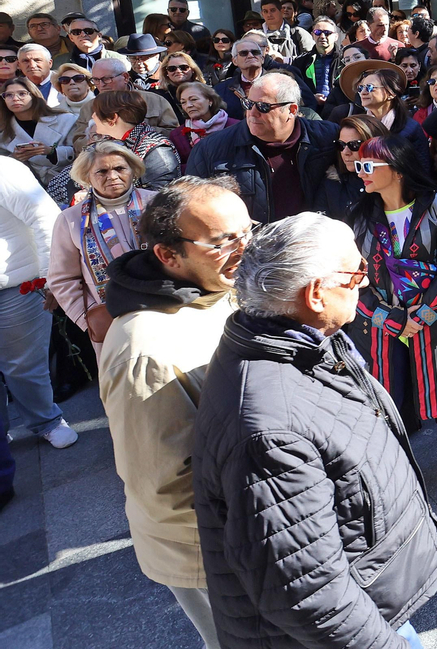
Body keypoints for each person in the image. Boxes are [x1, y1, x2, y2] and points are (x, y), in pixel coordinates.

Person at [191, 213, 437, 648]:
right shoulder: (268, 432)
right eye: (356, 274)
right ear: (314, 294)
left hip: (368, 594)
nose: (365, 283)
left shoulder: (297, 339)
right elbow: (309, 595)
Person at [97, 177, 250, 649]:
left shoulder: (217, 285)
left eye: (248, 231)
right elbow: (165, 486)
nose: (245, 248)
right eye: (224, 241)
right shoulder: (146, 350)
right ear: (168, 256)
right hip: (219, 556)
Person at [346, 136, 437, 491]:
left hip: (435, 315)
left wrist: (422, 312)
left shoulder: (436, 204)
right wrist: (389, 318)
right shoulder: (361, 216)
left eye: (367, 166)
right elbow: (353, 275)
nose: (360, 173)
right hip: (382, 322)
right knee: (387, 392)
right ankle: (396, 463)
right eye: (358, 166)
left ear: (397, 169)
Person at [46, 141, 157, 354]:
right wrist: (87, 317)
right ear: (87, 177)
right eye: (102, 171)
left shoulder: (158, 203)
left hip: (164, 310)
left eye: (120, 168)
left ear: (133, 170)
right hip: (112, 324)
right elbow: (62, 279)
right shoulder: (70, 220)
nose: (112, 176)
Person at [1, 155, 80, 450]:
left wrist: (51, 277)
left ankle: (46, 421)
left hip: (16, 285)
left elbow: (45, 218)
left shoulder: (4, 170)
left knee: (24, 365)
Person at [186, 72, 340, 223]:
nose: (252, 113)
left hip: (310, 241)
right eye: (248, 104)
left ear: (292, 110)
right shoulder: (210, 149)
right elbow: (194, 208)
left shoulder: (329, 138)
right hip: (247, 244)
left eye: (263, 107)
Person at [310, 114, 386, 220]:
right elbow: (318, 224)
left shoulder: (390, 181)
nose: (345, 152)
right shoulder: (332, 182)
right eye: (340, 145)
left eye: (354, 145)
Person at [1, 75, 75, 182]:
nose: (15, 99)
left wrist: (51, 152)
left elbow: (81, 152)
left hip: (68, 180)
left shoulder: (66, 120)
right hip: (26, 185)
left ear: (33, 95)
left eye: (22, 94)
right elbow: (3, 166)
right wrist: (14, 159)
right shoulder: (3, 133)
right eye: (8, 95)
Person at [170, 81, 238, 163]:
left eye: (193, 99)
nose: (188, 105)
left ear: (210, 100)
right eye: (183, 102)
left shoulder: (236, 127)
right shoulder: (177, 135)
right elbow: (178, 167)